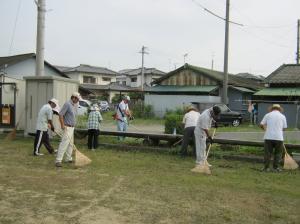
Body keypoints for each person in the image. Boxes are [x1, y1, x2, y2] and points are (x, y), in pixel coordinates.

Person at [55, 92, 80, 167]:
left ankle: (68, 158)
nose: (78, 101)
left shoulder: (73, 105)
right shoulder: (67, 104)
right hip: (67, 127)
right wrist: (62, 125)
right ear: (73, 98)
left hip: (72, 127)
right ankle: (58, 160)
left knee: (70, 144)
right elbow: (61, 114)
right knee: (64, 143)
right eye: (77, 99)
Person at [260, 104, 287, 172]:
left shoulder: (267, 115)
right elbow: (284, 128)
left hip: (268, 137)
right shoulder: (282, 116)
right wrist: (279, 130)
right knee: (278, 153)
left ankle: (266, 168)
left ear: (272, 108)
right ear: (279, 109)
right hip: (279, 137)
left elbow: (261, 124)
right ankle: (276, 168)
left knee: (268, 153)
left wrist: (265, 129)